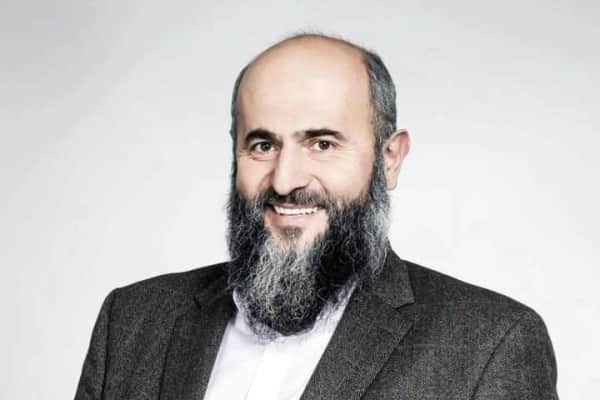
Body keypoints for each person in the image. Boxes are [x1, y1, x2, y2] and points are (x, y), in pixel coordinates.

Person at [75, 33, 559, 400]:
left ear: (390, 158)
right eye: (262, 145)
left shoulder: (490, 344)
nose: (286, 180)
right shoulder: (133, 320)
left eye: (322, 144)